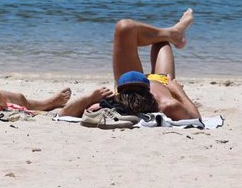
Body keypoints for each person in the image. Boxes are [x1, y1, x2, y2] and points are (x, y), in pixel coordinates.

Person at [57, 9, 200, 121]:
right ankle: (173, 33)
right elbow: (196, 119)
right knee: (160, 42)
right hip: (162, 81)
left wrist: (89, 98)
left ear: (117, 92)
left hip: (129, 81)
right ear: (148, 91)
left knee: (125, 27)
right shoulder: (168, 103)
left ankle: (172, 33)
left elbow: (63, 114)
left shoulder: (111, 103)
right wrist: (179, 91)